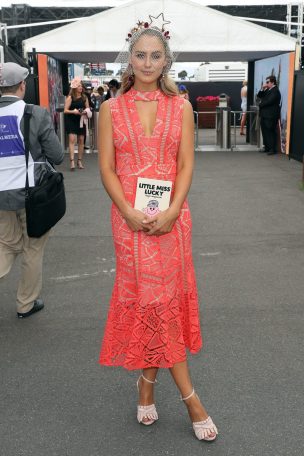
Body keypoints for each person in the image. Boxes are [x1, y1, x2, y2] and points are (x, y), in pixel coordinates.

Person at [98, 19, 218, 442]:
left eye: (156, 55)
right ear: (128, 58)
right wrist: (129, 212)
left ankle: (149, 386)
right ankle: (190, 399)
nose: (147, 62)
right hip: (129, 221)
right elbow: (108, 169)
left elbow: (187, 164)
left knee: (161, 301)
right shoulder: (110, 109)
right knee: (151, 301)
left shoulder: (181, 107)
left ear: (167, 61)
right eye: (140, 54)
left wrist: (173, 210)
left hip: (172, 219)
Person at [0, 62, 64, 318]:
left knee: (5, 245)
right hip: (32, 195)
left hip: (1, 197)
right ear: (23, 86)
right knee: (33, 247)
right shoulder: (34, 114)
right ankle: (25, 304)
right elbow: (57, 155)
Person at [64, 77, 90, 170]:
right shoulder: (70, 97)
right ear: (74, 87)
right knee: (72, 140)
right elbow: (65, 110)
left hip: (81, 120)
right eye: (79, 86)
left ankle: (79, 160)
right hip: (71, 120)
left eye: (81, 86)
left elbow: (88, 108)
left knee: (81, 140)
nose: (81, 87)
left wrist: (85, 112)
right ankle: (72, 162)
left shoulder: (84, 97)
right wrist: (73, 111)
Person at [257, 75, 281, 155]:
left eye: (267, 82)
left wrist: (260, 104)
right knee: (264, 131)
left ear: (272, 82)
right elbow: (259, 95)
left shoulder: (275, 91)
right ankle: (266, 147)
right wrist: (262, 88)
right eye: (266, 82)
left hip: (271, 115)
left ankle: (272, 149)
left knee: (270, 131)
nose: (266, 84)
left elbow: (269, 101)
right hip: (264, 115)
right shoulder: (267, 90)